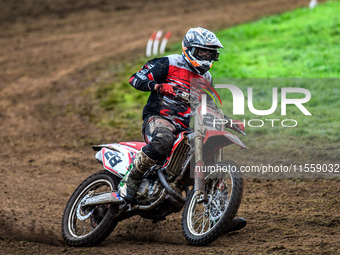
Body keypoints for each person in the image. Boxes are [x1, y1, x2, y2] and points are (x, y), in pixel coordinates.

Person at [119, 27, 246, 232]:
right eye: (201, 52)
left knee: (209, 151)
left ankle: (220, 214)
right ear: (188, 49)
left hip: (185, 127)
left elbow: (207, 104)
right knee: (163, 140)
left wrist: (228, 120)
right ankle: (131, 178)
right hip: (160, 117)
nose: (205, 58)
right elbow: (136, 79)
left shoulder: (206, 78)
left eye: (210, 53)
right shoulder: (168, 63)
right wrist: (158, 86)